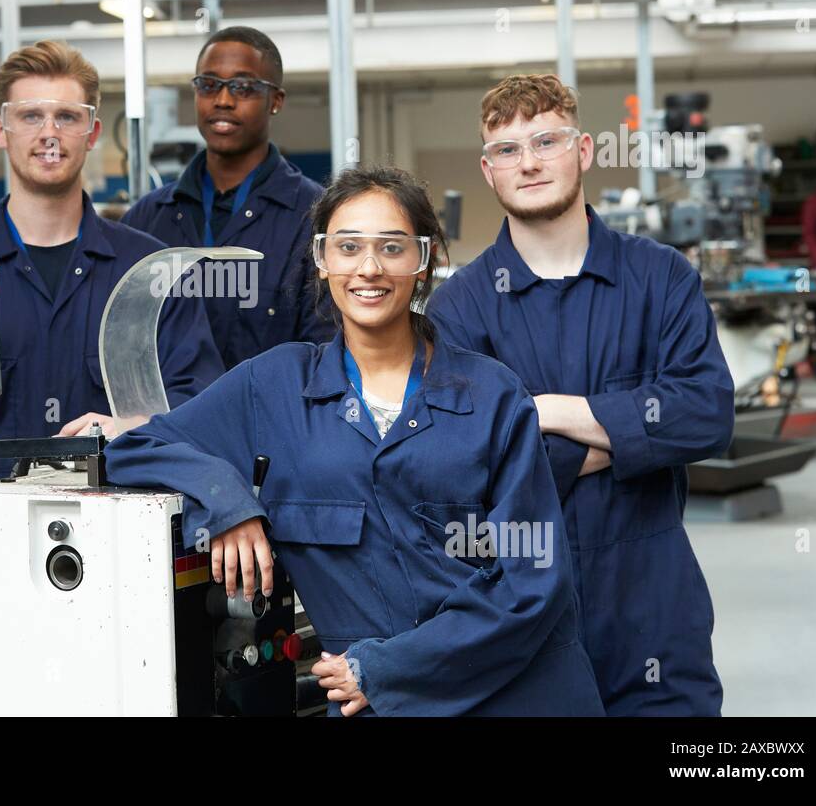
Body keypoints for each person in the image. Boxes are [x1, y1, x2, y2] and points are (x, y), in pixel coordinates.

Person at [106, 165, 604, 716]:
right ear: (322, 260)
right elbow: (137, 447)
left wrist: (386, 669)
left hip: (520, 695)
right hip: (379, 703)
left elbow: (532, 580)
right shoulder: (272, 386)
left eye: (392, 247)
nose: (368, 268)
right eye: (347, 247)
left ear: (424, 260)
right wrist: (227, 502)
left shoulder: (491, 396)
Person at [425, 74, 735, 716]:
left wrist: (552, 414)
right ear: (488, 171)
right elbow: (466, 466)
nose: (529, 161)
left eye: (546, 140)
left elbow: (706, 414)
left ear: (585, 151)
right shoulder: (460, 308)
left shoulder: (660, 278)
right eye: (508, 150)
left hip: (652, 600)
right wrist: (632, 441)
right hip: (521, 604)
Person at [0, 41, 224, 485]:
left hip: (116, 525)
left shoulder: (148, 272)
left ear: (91, 131)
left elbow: (202, 401)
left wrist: (133, 425)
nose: (50, 133)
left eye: (67, 117)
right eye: (30, 116)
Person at [122, 26, 333, 368]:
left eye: (243, 87)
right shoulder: (147, 219)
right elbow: (122, 340)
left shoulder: (313, 219)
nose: (223, 100)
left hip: (268, 419)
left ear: (275, 101)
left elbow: (323, 354)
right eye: (208, 84)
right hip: (168, 421)